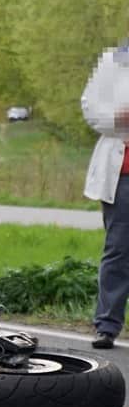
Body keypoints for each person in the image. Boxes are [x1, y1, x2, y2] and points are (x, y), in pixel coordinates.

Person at [81, 42, 129, 349]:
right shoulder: (115, 61)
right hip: (122, 175)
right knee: (118, 251)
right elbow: (90, 106)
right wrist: (119, 119)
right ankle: (107, 325)